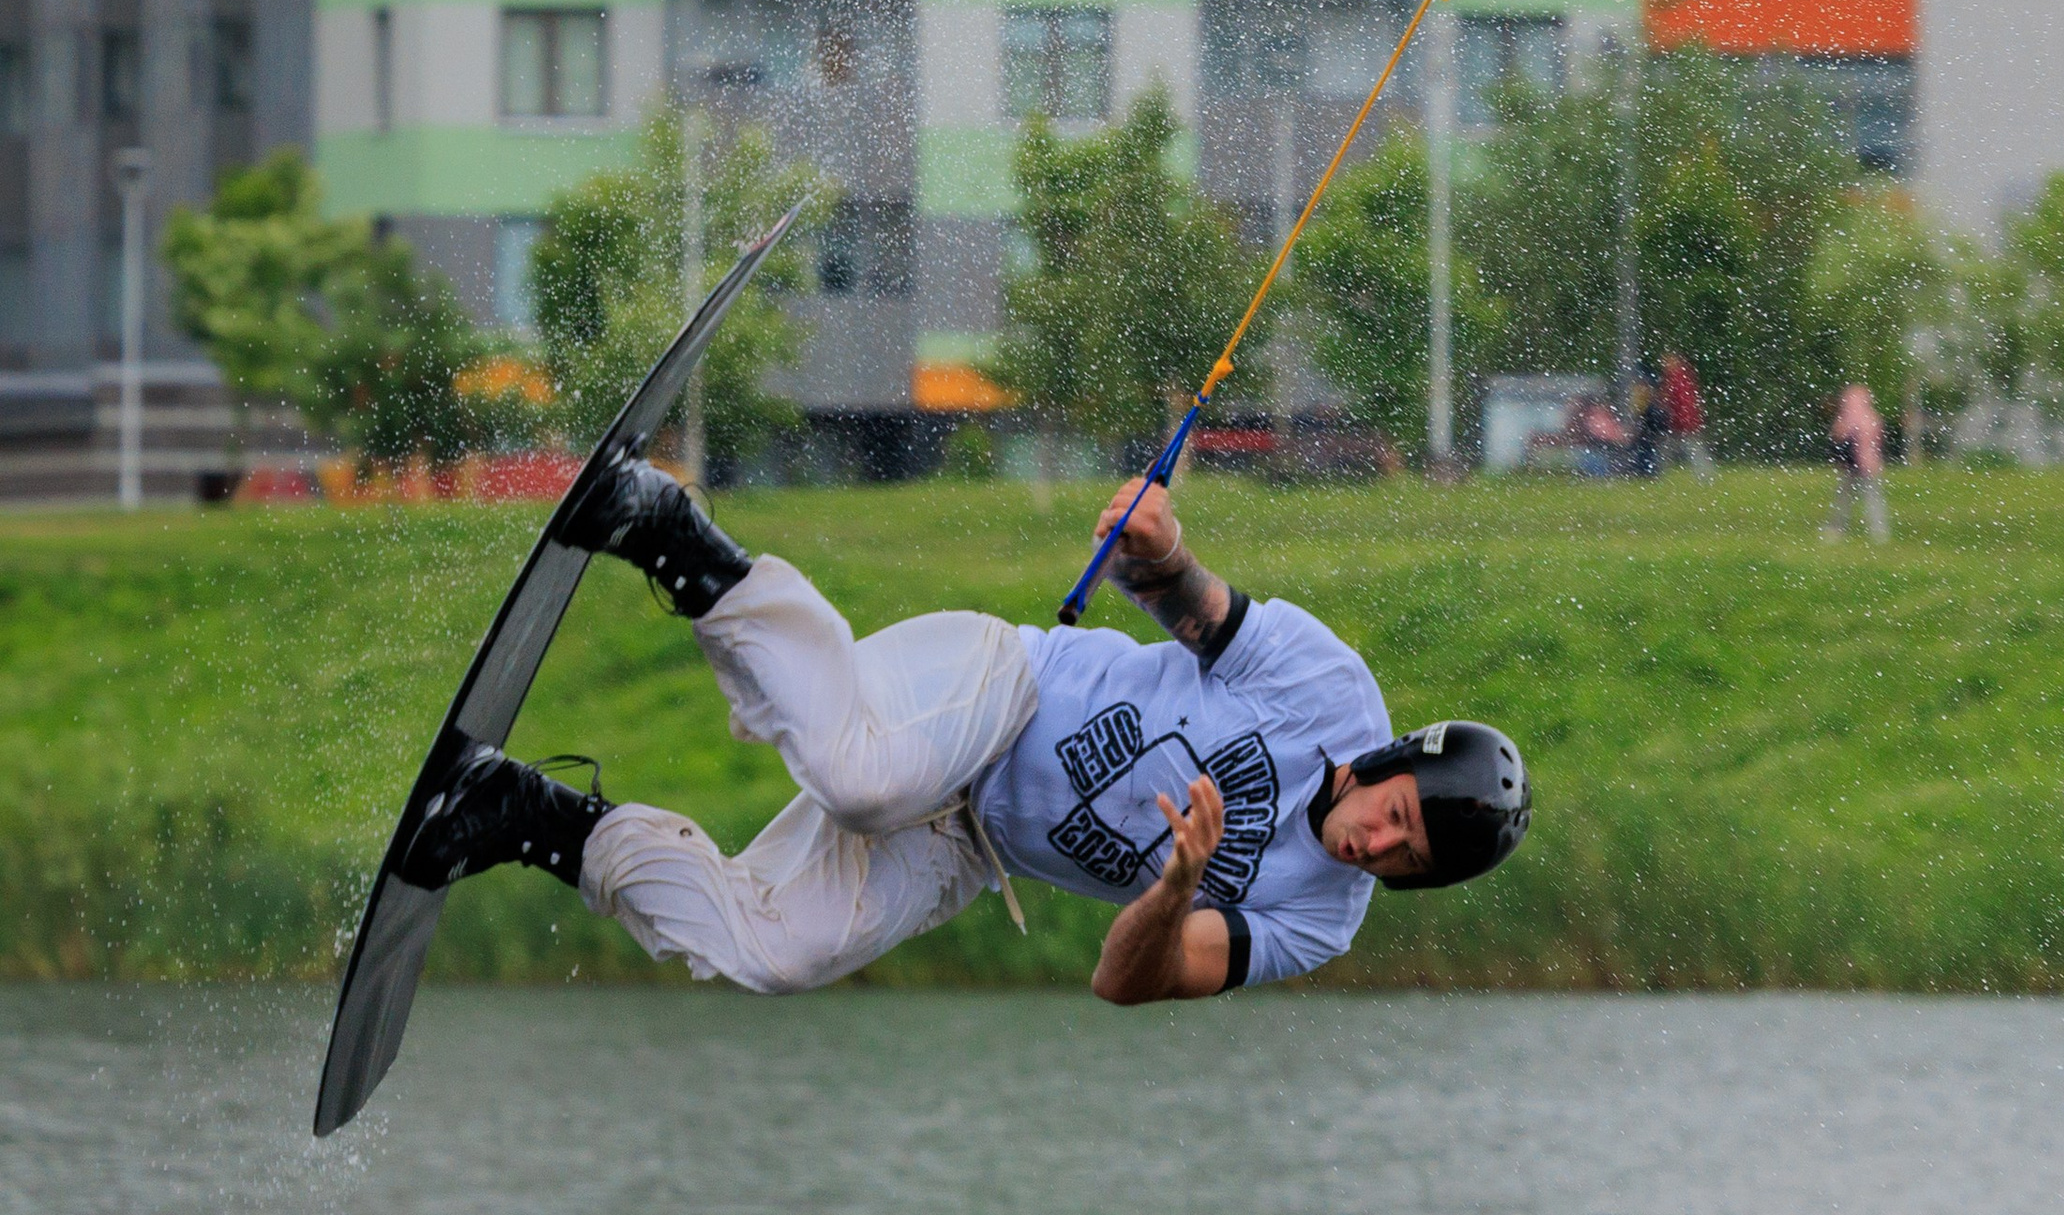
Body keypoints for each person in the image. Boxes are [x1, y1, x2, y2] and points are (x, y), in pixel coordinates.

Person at [391, 459, 1531, 1004]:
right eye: (1393, 819)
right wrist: (1157, 551)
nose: (1374, 846)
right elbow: (1195, 605)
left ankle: (530, 817)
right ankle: (680, 538)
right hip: (1002, 691)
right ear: (1387, 764)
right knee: (860, 775)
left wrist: (1183, 883)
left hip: (972, 844)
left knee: (776, 955)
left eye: (1402, 861)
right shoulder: (1329, 690)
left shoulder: (1318, 919)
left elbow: (1124, 981)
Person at [1825, 380, 1890, 543]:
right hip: (1868, 464)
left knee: (1845, 498)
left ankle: (1837, 527)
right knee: (1871, 497)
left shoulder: (1848, 419)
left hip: (1852, 464)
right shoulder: (1872, 417)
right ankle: (1879, 530)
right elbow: (1877, 442)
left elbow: (1837, 437)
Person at [1657, 348, 1710, 477]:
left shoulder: (1677, 378)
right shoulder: (1680, 377)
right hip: (1682, 422)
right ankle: (1657, 474)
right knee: (1691, 451)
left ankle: (1656, 474)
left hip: (1682, 423)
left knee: (1690, 450)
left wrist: (1683, 421)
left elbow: (1682, 402)